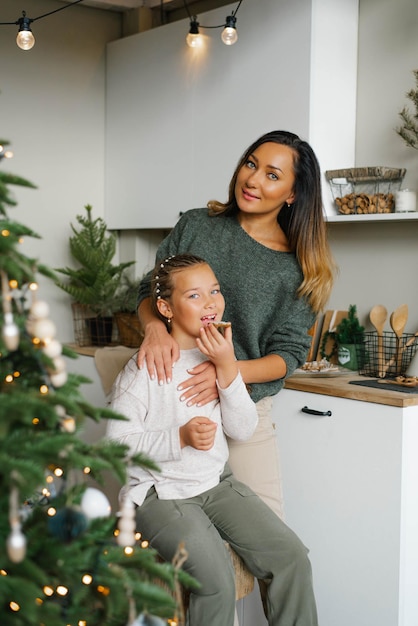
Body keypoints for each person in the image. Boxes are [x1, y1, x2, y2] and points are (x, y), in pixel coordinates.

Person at [107, 254, 318, 626]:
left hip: (216, 484)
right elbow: (116, 445)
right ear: (164, 308)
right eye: (194, 295)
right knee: (215, 581)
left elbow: (242, 429)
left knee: (291, 556)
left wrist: (227, 369)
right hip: (160, 493)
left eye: (215, 291)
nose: (210, 302)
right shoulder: (144, 369)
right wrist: (180, 438)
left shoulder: (219, 355)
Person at [136, 130, 335, 519]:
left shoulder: (300, 269)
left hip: (241, 407)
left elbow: (288, 354)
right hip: (165, 401)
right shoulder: (197, 225)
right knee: (162, 530)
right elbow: (150, 290)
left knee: (270, 535)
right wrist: (153, 329)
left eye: (273, 175)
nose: (253, 179)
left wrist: (226, 373)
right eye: (251, 164)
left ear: (293, 194)